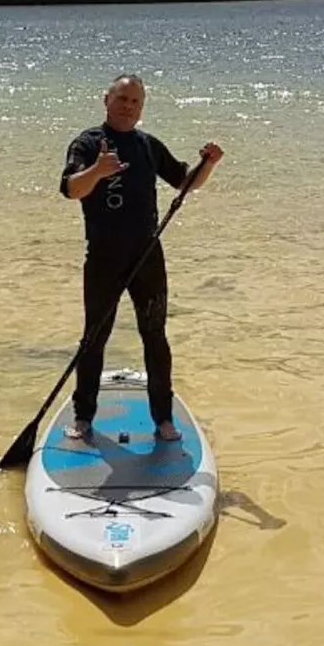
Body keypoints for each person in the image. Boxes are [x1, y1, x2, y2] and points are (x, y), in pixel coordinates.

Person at [59, 74, 223, 443]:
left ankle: (163, 420)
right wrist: (98, 171)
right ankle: (84, 417)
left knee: (155, 336)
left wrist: (208, 163)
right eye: (122, 99)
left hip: (147, 256)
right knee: (94, 338)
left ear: (142, 107)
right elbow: (71, 189)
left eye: (135, 101)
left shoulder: (147, 146)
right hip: (103, 258)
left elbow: (184, 180)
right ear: (106, 100)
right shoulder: (87, 143)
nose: (128, 106)